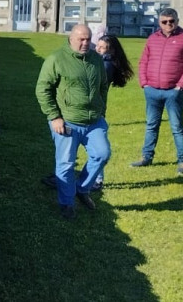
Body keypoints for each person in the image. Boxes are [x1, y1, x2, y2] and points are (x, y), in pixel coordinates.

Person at [35, 24, 111, 220]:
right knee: (66, 164)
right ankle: (67, 203)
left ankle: (82, 189)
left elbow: (103, 85)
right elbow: (42, 89)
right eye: (81, 39)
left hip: (94, 121)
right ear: (71, 38)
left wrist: (101, 109)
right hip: (67, 121)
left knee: (102, 155)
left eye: (88, 39)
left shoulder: (95, 58)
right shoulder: (56, 59)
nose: (86, 43)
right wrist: (54, 117)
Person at [131, 8, 183, 175]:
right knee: (151, 125)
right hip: (152, 91)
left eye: (171, 21)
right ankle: (146, 157)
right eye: (164, 22)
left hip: (173, 93)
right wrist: (144, 84)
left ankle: (182, 161)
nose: (168, 25)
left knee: (177, 127)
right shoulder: (152, 39)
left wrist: (180, 86)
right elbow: (143, 62)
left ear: (177, 21)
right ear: (159, 22)